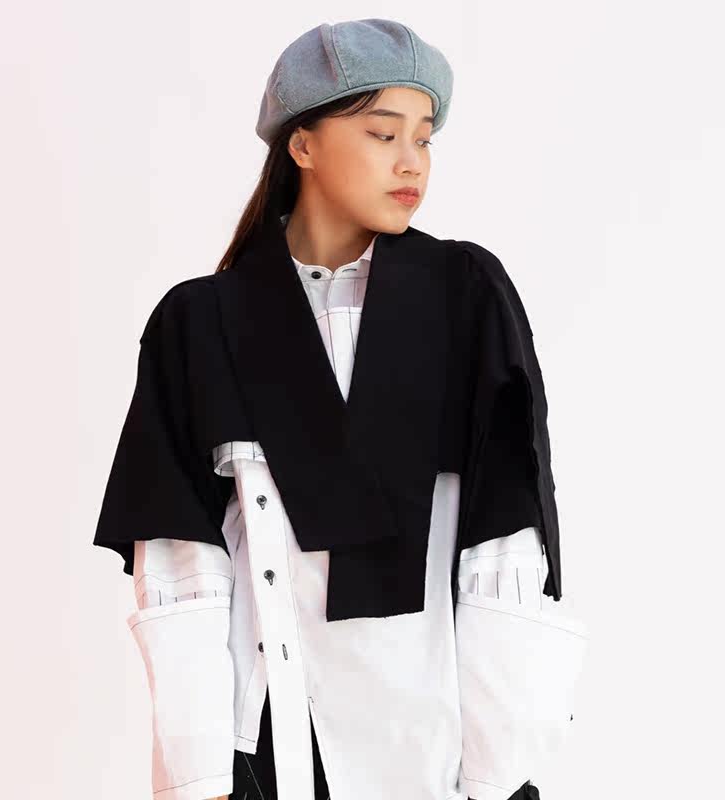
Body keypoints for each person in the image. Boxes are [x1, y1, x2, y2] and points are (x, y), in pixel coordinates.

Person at [93, 18, 589, 800]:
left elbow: (504, 538)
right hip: (266, 746)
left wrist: (495, 773)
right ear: (302, 144)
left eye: (424, 138)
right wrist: (201, 774)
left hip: (439, 753)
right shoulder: (201, 322)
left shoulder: (464, 296)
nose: (411, 161)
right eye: (383, 133)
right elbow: (182, 561)